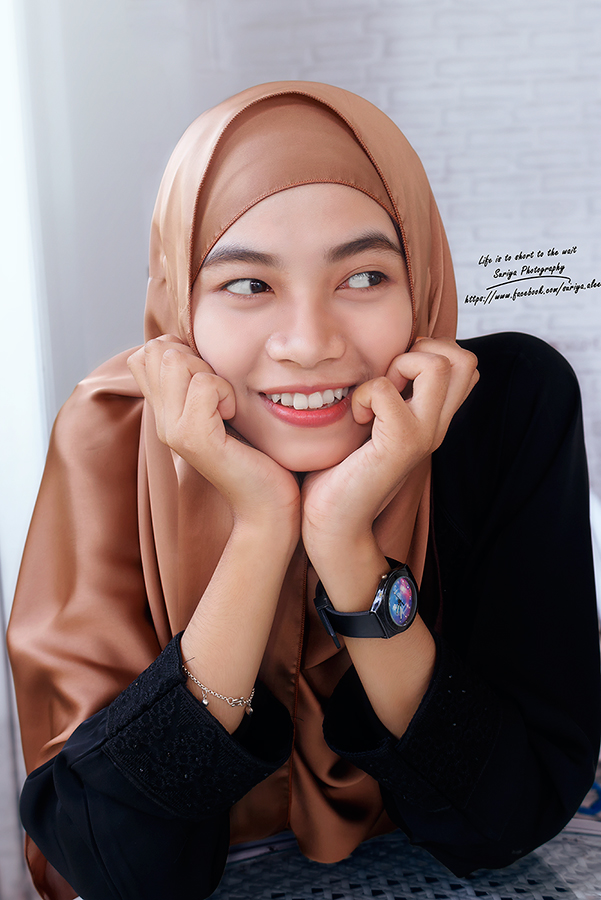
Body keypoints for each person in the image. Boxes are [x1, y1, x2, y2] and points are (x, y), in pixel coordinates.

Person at [7, 82, 600, 900]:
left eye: (364, 276)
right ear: (181, 300)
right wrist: (260, 529)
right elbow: (115, 867)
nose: (309, 343)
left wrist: (345, 543)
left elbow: (507, 822)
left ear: (421, 280)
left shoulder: (503, 410)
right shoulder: (114, 430)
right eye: (248, 286)